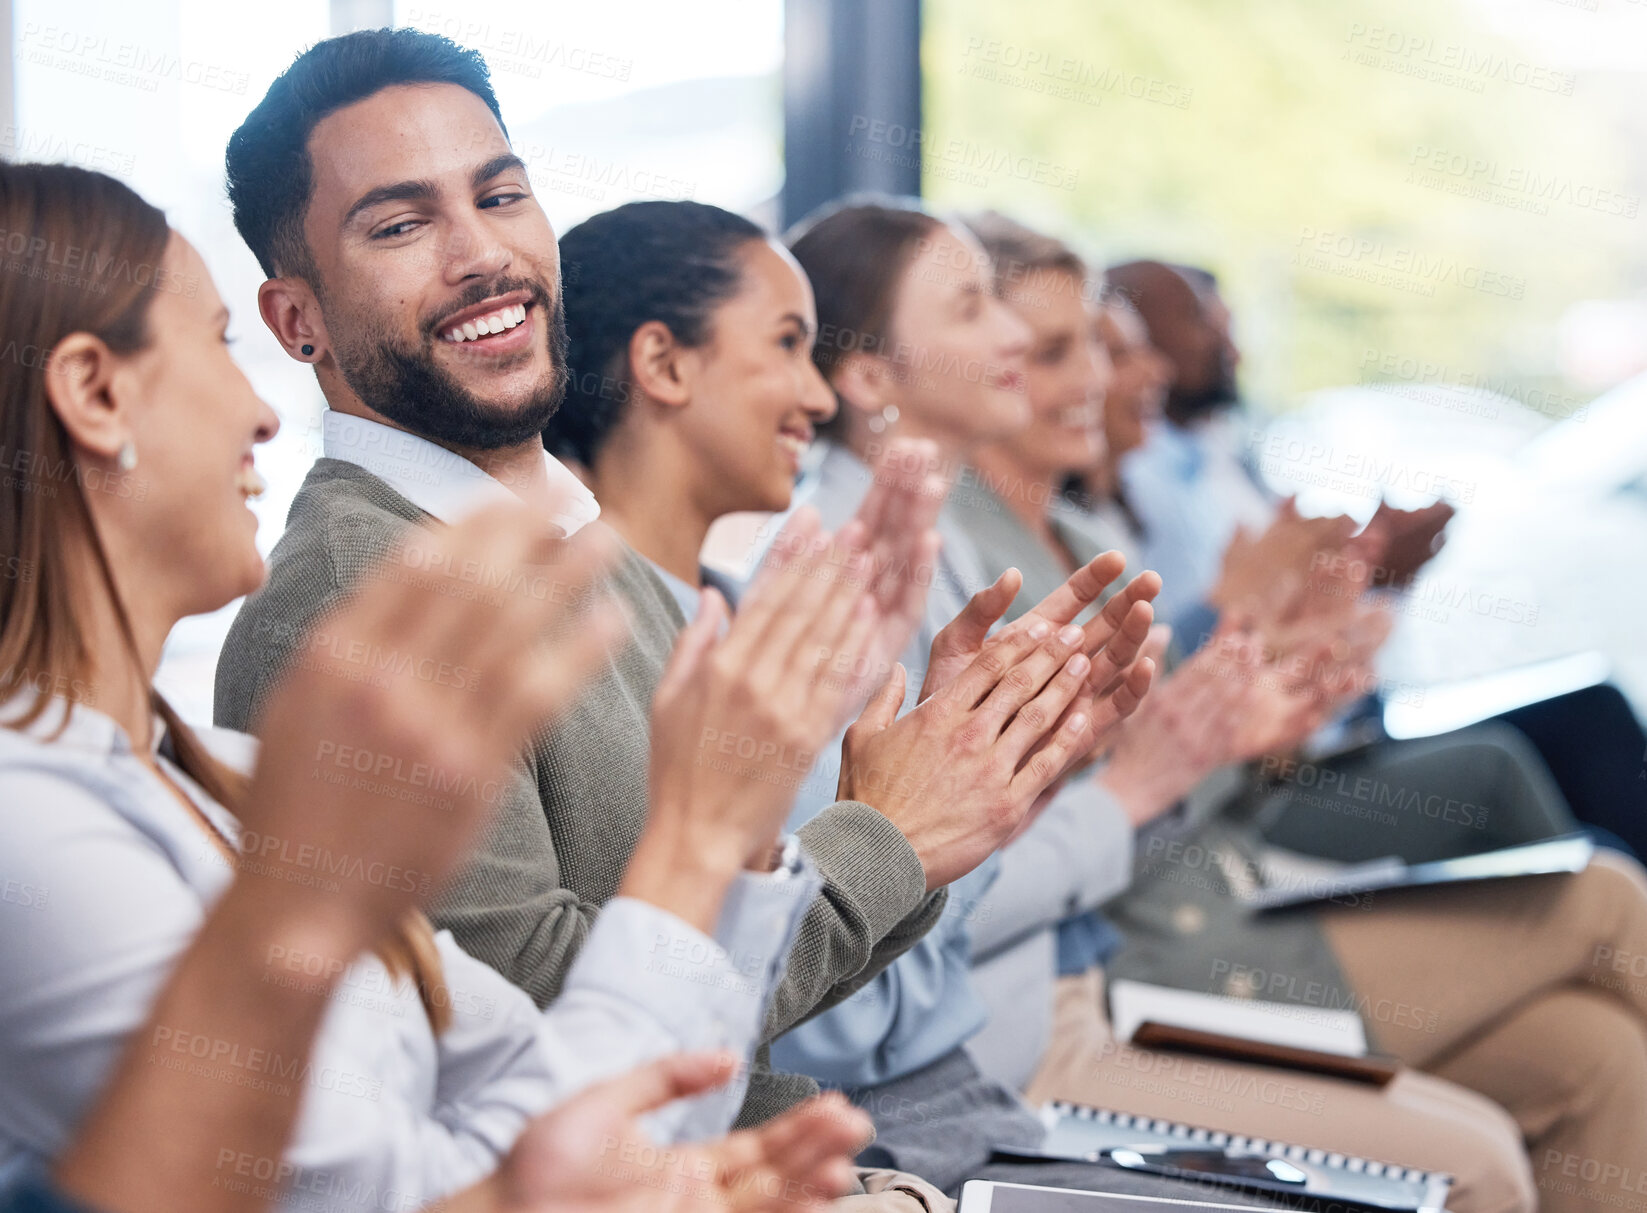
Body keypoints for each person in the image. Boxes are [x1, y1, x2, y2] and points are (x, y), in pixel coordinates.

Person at [206, 33, 1109, 1205]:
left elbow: (706, 941)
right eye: (399, 224)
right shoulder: (350, 603)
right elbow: (539, 1029)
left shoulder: (572, 542)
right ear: (296, 321)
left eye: (500, 193)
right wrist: (881, 838)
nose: (482, 252)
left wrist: (910, 809)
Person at [0, 161, 873, 1213]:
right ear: (96, 392)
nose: (262, 415)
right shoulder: (38, 830)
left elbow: (540, 1094)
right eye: (220, 343)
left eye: (502, 196)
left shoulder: (215, 773)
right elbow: (390, 1188)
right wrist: (706, 840)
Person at [959, 213, 1647, 1213]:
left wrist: (1276, 676)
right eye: (1076, 350)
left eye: (1113, 349)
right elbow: (1067, 835)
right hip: (1145, 955)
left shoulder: (1075, 529)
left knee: (1598, 1050)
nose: (1117, 376)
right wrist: (1240, 674)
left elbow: (1175, 772)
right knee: (1601, 897)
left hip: (1200, 893)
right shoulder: (984, 573)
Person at [1107, 260, 1647, 858]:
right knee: (1525, 768)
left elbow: (1285, 616)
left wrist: (1374, 574)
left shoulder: (1217, 458)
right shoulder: (1149, 486)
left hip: (1327, 721)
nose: (1228, 344)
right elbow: (1217, 643)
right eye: (1198, 323)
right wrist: (1242, 602)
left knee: (1590, 714)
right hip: (1261, 769)